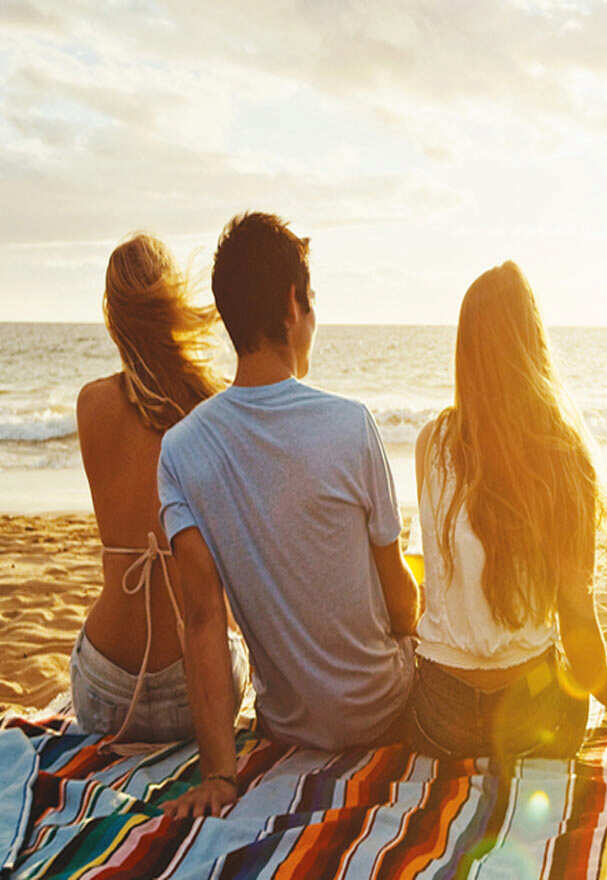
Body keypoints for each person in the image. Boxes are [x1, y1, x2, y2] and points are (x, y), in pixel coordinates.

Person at [157, 213, 419, 817]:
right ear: (294, 302)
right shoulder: (351, 424)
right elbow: (398, 597)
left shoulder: (182, 450)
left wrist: (220, 774)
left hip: (289, 723)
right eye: (312, 301)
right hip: (381, 708)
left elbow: (202, 621)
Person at [406, 261, 607, 762]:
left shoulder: (431, 444)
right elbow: (577, 621)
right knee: (554, 663)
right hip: (533, 713)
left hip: (440, 719)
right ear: (533, 344)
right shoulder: (562, 455)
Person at [71, 234, 248, 744]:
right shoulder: (213, 408)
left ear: (112, 316)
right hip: (195, 692)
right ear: (172, 306)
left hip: (105, 694)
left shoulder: (92, 405)